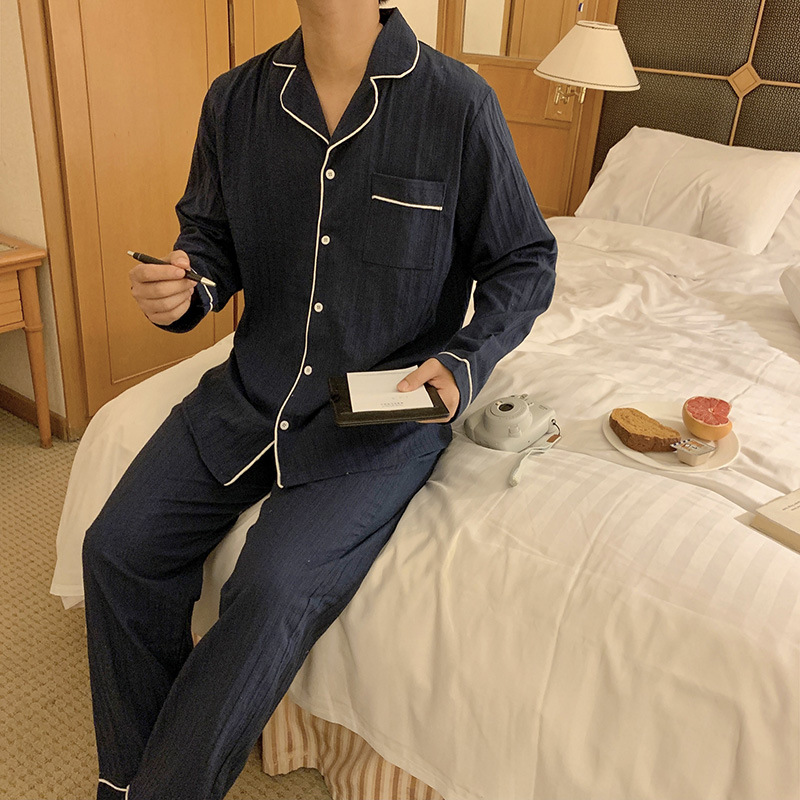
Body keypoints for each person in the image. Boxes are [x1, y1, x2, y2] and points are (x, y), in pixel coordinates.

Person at [81, 1, 557, 798]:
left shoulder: (457, 102)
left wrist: (462, 361)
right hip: (251, 391)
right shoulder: (235, 99)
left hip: (379, 416)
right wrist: (187, 290)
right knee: (117, 548)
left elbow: (525, 260)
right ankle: (131, 781)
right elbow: (209, 241)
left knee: (269, 588)